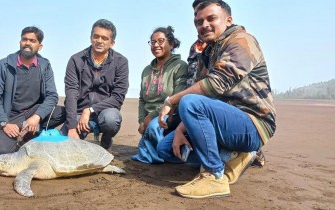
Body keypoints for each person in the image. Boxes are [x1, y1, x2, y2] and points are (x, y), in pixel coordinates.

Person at [157, 0, 276, 199]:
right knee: (165, 149)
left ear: (228, 20)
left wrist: (170, 101)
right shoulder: (208, 53)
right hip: (221, 120)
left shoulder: (242, 40)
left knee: (188, 102)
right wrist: (180, 128)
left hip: (253, 123)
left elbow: (215, 85)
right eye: (198, 21)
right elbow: (203, 95)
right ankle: (234, 156)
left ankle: (214, 176)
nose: (204, 25)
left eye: (211, 18)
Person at [0, 26, 66, 156]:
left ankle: (30, 135)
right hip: (9, 117)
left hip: (31, 114)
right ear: (20, 42)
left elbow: (52, 95)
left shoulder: (45, 65)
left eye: (33, 40)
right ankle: (15, 134)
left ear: (40, 46)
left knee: (62, 113)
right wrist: (4, 123)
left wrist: (37, 117)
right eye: (25, 39)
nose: (28, 43)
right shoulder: (4, 65)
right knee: (3, 153)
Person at [63, 19, 129, 150]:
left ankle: (106, 137)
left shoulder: (121, 62)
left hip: (105, 112)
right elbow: (71, 93)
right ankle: (78, 130)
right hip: (79, 112)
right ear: (91, 38)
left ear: (112, 43)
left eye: (104, 38)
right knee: (64, 145)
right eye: (96, 36)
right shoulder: (76, 60)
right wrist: (71, 127)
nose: (99, 41)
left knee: (112, 120)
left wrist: (90, 110)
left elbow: (117, 98)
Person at [131, 26, 188, 163]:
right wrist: (141, 120)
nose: (156, 45)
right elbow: (142, 100)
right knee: (149, 127)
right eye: (153, 42)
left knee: (153, 127)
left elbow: (177, 98)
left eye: (161, 41)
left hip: (171, 114)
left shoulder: (180, 66)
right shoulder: (146, 71)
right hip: (149, 119)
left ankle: (162, 156)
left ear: (171, 44)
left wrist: (150, 117)